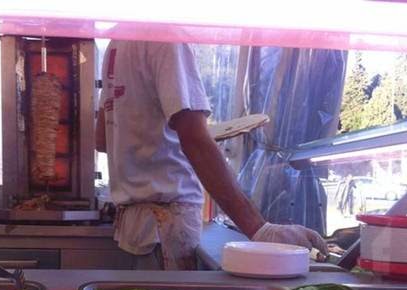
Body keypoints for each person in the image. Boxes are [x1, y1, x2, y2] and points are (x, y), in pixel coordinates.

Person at [95, 40, 327, 270]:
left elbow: (103, 140)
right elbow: (194, 140)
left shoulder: (119, 41)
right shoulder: (167, 38)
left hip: (137, 230)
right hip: (164, 230)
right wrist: (260, 229)